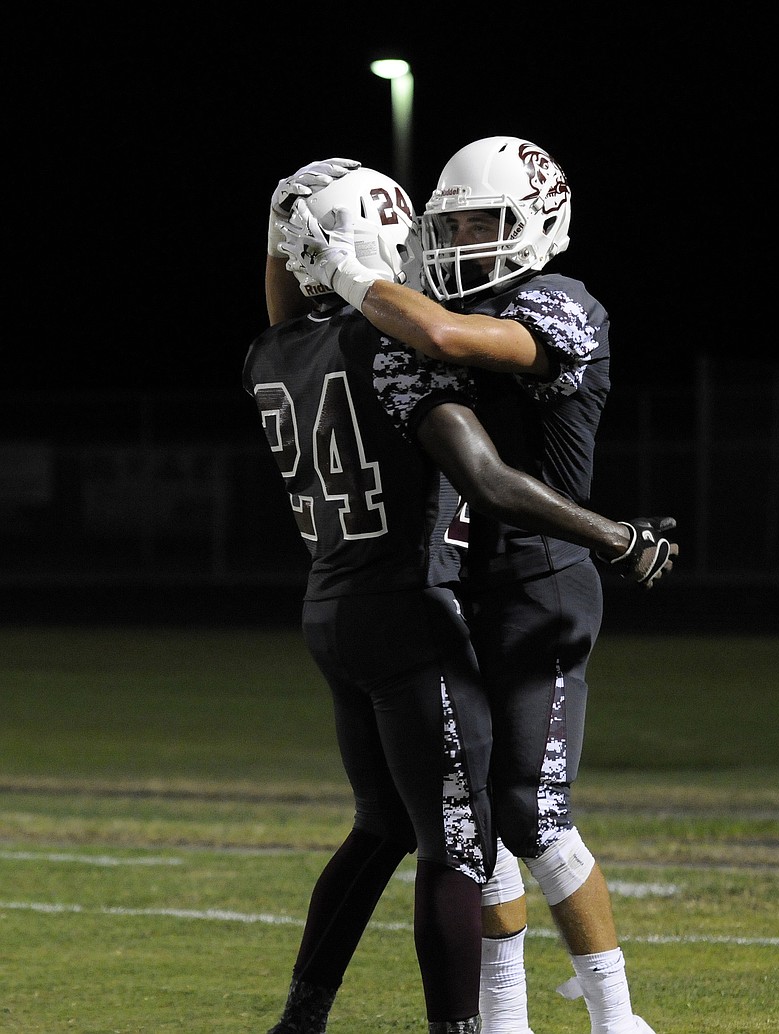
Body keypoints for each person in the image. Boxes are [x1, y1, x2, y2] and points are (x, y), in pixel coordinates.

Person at [282, 137, 669, 1034]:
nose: (459, 239)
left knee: (533, 812)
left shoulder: (559, 305)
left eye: (480, 223)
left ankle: (618, 1018)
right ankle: (504, 1020)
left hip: (545, 579)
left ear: (540, 226)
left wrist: (345, 273)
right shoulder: (426, 311)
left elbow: (449, 341)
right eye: (447, 222)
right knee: (470, 817)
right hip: (460, 583)